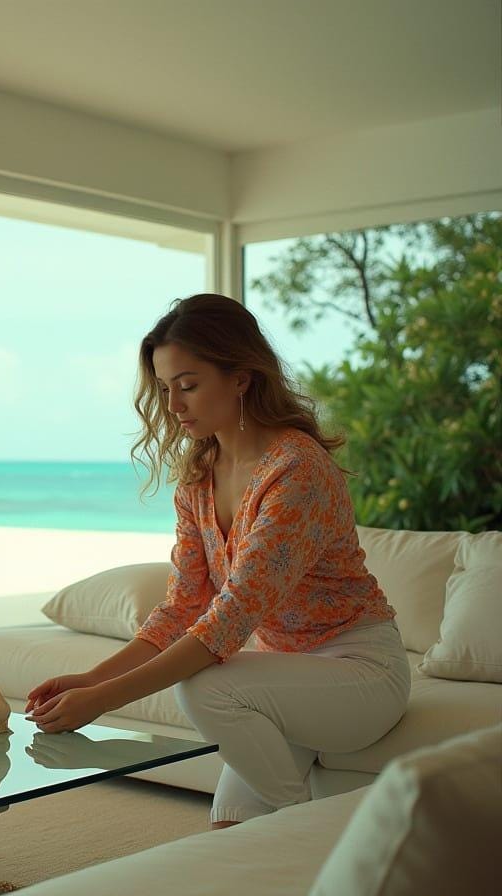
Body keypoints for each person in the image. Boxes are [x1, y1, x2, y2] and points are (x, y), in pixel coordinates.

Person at [24, 293, 410, 830]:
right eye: (165, 389)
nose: (174, 405)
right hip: (284, 677)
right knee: (230, 828)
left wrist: (102, 700)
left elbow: (228, 621)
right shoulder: (200, 476)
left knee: (205, 687)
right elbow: (182, 608)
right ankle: (297, 838)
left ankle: (309, 829)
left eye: (188, 385)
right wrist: (89, 679)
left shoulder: (297, 470)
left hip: (359, 673)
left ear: (240, 377)